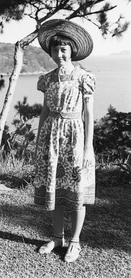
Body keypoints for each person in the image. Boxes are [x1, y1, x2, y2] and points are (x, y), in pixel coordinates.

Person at [34, 19, 95, 263]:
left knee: (76, 190)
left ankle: (75, 242)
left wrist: (88, 147)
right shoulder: (47, 79)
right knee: (56, 189)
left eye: (63, 50)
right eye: (55, 50)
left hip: (74, 135)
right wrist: (39, 142)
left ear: (71, 51)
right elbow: (45, 113)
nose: (59, 54)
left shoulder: (84, 77)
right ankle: (57, 237)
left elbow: (89, 113)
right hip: (51, 136)